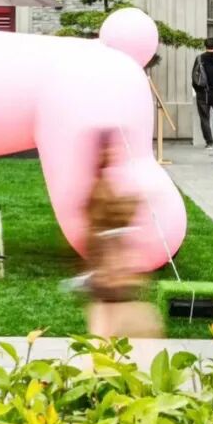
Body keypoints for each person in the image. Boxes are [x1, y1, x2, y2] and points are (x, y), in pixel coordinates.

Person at [74, 131, 164, 339]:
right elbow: (107, 216)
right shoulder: (99, 187)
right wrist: (133, 201)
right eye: (109, 150)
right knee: (107, 323)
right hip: (105, 263)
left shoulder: (103, 183)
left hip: (108, 263)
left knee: (109, 319)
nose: (113, 154)